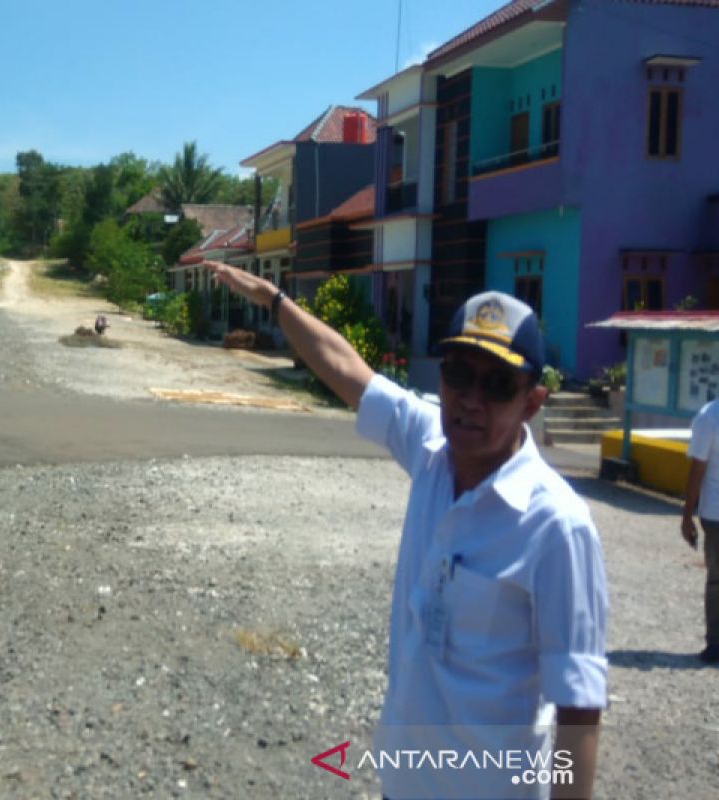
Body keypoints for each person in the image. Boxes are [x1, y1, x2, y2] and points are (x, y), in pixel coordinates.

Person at [203, 261, 608, 799]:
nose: (471, 398)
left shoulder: (556, 524)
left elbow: (579, 708)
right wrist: (273, 299)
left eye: (498, 384)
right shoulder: (431, 453)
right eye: (458, 374)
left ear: (532, 401)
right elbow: (345, 366)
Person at [681, 403, 719, 664]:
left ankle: (716, 644)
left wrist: (686, 515)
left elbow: (698, 468)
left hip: (715, 512)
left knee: (717, 582)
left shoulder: (708, 416)